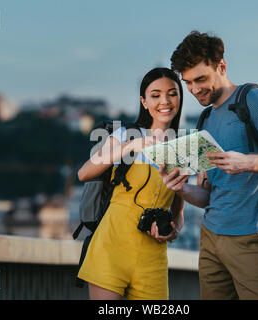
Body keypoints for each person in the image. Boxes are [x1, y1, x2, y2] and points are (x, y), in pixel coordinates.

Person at [159, 31, 258, 300]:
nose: (194, 89)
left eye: (201, 79)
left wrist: (247, 162)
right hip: (211, 238)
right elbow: (207, 196)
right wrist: (180, 188)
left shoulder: (254, 100)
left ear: (222, 67)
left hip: (253, 239)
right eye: (188, 82)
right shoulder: (204, 120)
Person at [77, 67, 185, 300]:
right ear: (144, 102)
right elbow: (84, 173)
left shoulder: (183, 149)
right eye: (155, 95)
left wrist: (172, 231)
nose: (164, 101)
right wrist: (129, 147)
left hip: (152, 260)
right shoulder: (126, 134)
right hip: (110, 249)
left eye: (172, 93)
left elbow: (178, 212)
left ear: (179, 98)